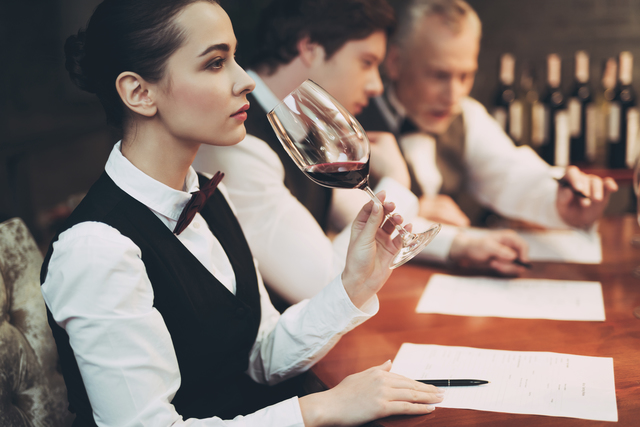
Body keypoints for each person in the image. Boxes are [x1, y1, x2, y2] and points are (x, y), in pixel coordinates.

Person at [40, 1, 444, 425]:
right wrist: (324, 407)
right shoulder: (96, 250)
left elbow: (260, 354)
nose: (245, 80)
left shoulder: (209, 194)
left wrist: (355, 285)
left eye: (234, 57)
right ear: (139, 93)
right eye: (215, 63)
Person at [193, 0, 530, 310]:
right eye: (367, 63)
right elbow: (322, 281)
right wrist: (397, 181)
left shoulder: (296, 126)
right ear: (310, 48)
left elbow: (356, 214)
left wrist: (460, 246)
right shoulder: (239, 143)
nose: (377, 85)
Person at [357, 0, 618, 242]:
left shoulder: (467, 114)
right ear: (395, 63)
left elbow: (509, 172)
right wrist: (411, 213)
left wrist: (560, 202)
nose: (454, 95)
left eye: (465, 76)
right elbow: (340, 226)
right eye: (439, 75)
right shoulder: (354, 124)